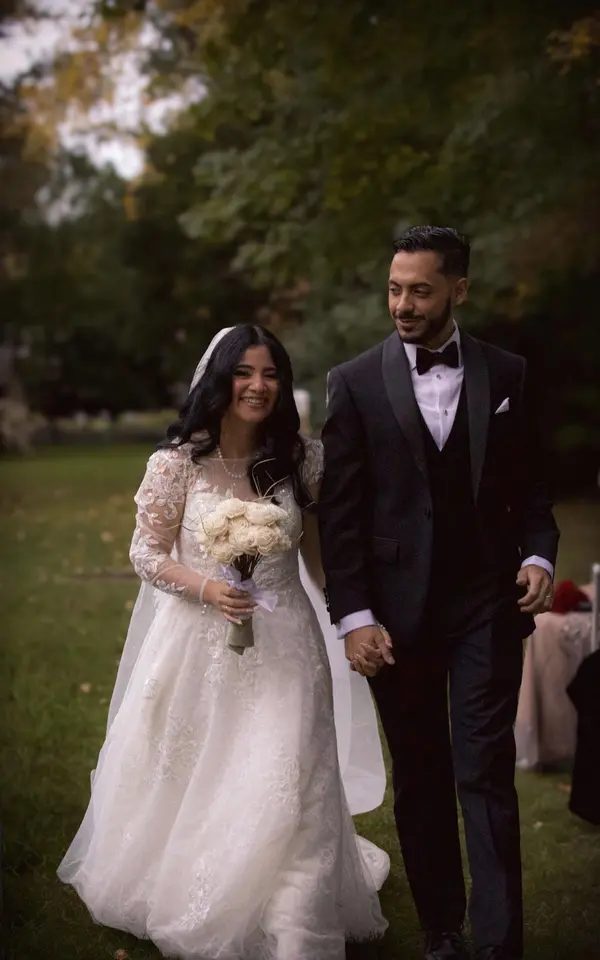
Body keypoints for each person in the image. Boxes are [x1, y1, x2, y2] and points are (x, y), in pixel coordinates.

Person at [58, 325, 388, 960]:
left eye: (270, 374)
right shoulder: (176, 464)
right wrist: (208, 589)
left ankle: (298, 920)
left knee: (289, 768)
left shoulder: (300, 460)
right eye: (244, 372)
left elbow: (319, 559)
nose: (258, 386)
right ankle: (207, 886)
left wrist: (351, 617)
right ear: (219, 381)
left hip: (287, 641)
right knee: (203, 771)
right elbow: (146, 554)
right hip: (195, 643)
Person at [318, 226, 560, 960]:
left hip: (488, 602)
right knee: (420, 772)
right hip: (395, 614)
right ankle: (442, 931)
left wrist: (539, 556)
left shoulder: (509, 372)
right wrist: (355, 615)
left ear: (458, 289)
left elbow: (534, 489)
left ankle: (500, 942)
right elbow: (340, 516)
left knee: (484, 769)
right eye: (395, 289)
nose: (403, 304)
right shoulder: (354, 382)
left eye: (420, 290)